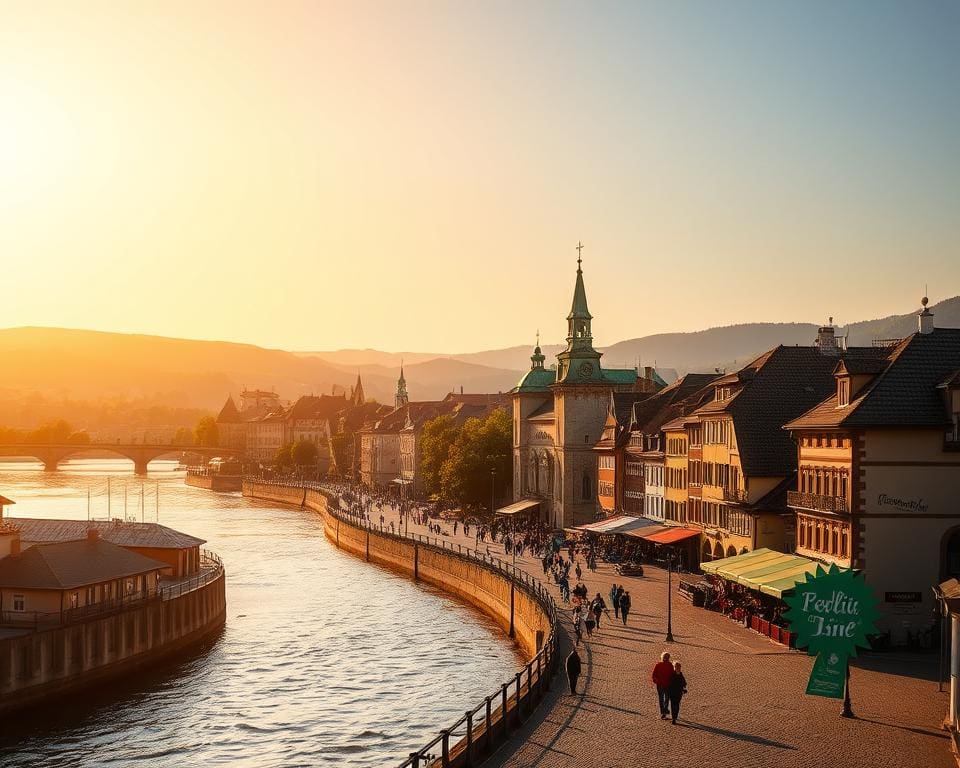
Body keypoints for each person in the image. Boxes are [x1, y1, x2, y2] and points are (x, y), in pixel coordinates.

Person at [652, 652, 674, 719]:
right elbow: (672, 675)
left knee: (662, 699)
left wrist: (657, 681)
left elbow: (653, 675)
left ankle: (663, 712)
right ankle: (664, 711)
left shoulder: (659, 665)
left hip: (662, 684)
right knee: (666, 699)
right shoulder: (669, 665)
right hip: (666, 684)